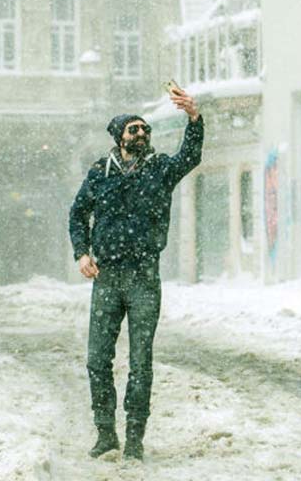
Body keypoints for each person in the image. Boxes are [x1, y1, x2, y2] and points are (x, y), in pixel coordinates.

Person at [69, 85, 203, 461]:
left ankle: (135, 437)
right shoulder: (100, 173)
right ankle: (105, 433)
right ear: (119, 137)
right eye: (134, 130)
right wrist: (81, 253)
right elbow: (78, 213)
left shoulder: (160, 169)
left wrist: (194, 118)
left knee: (141, 362)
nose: (141, 134)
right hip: (107, 278)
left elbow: (190, 156)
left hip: (144, 276)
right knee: (98, 359)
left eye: (145, 130)